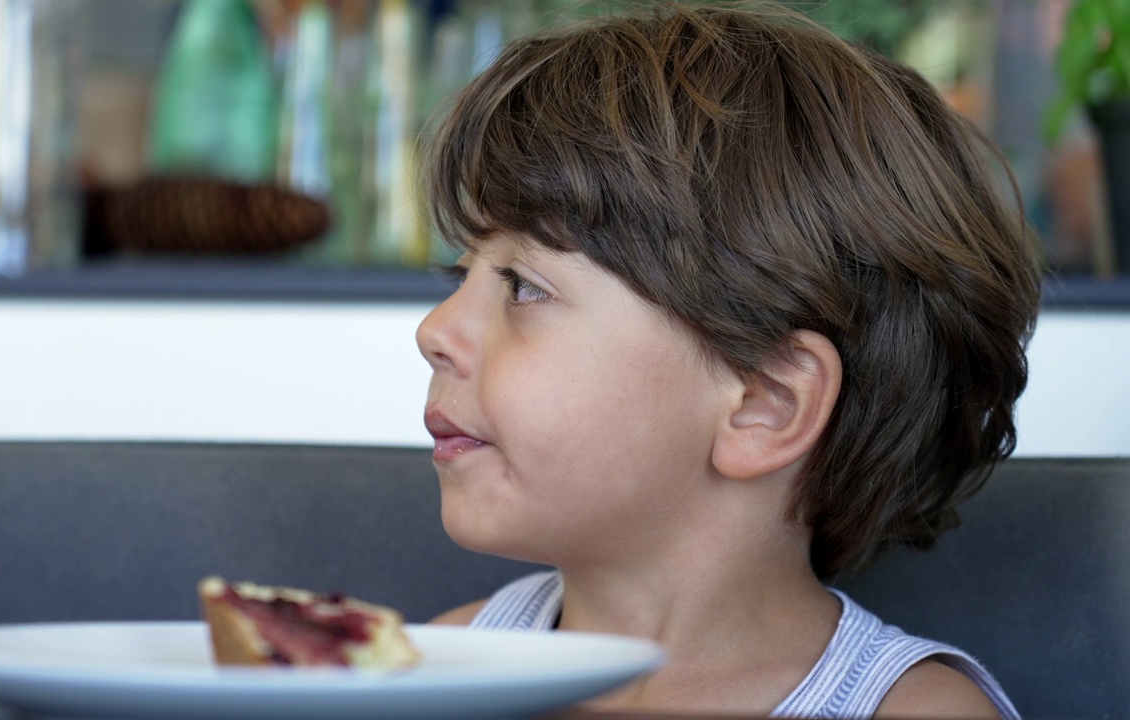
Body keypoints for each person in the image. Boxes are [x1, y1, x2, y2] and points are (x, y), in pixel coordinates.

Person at [414, 2, 1041, 718]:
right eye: (458, 276)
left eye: (524, 287)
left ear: (764, 403)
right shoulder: (445, 667)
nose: (435, 329)